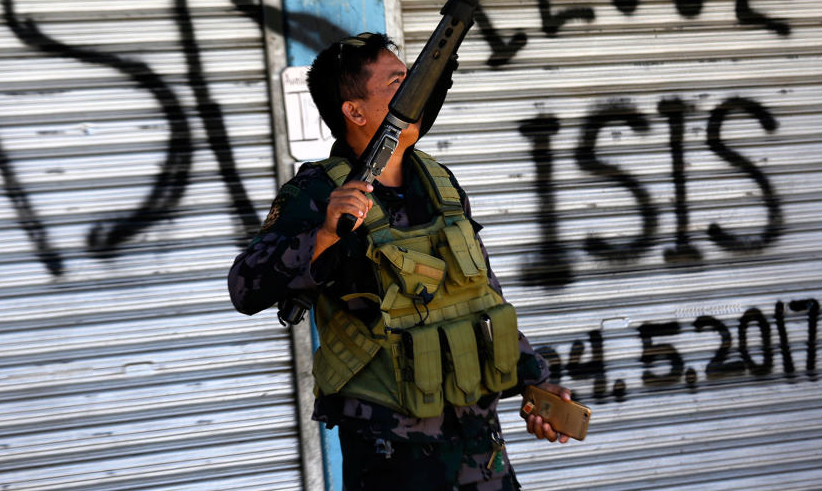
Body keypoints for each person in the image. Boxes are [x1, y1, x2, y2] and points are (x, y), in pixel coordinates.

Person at [229, 33, 571, 490]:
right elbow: (245, 288)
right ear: (355, 111)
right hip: (392, 457)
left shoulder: (437, 181)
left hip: (479, 447)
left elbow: (480, 295)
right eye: (397, 82)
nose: (417, 90)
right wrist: (326, 234)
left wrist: (538, 384)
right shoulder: (316, 193)